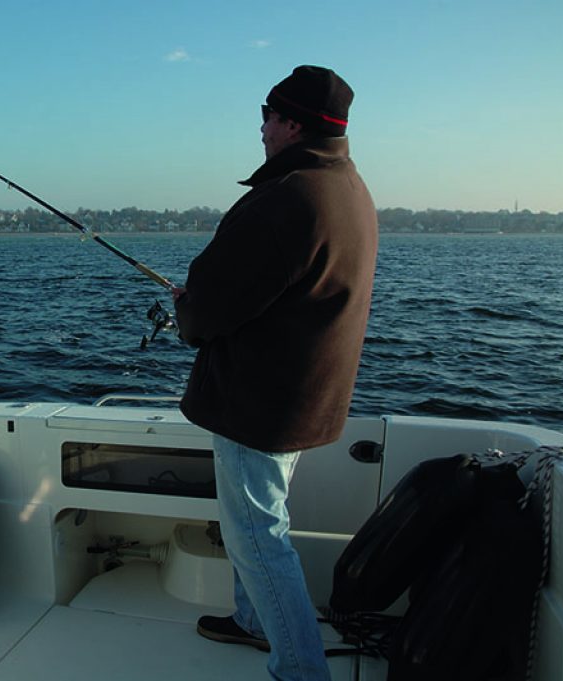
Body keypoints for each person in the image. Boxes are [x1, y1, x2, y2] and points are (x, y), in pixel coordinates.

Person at [173, 65, 378, 681]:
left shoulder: (288, 200)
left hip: (260, 406)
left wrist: (188, 309)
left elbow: (207, 310)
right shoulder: (348, 188)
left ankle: (300, 669)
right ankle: (254, 621)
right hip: (304, 398)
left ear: (291, 124)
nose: (261, 130)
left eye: (267, 117)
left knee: (257, 537)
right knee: (263, 522)